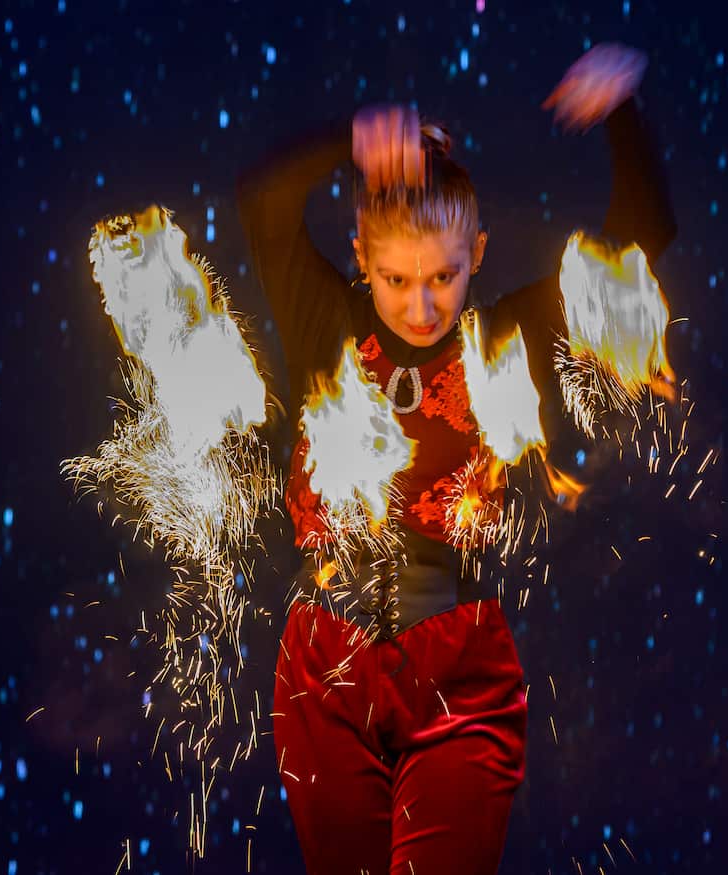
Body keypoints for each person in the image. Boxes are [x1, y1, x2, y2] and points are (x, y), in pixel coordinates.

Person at [237, 43, 675, 875]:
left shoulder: (508, 338)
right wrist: (351, 139)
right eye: (397, 278)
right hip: (321, 670)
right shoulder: (320, 317)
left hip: (460, 671)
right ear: (361, 256)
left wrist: (622, 113)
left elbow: (640, 243)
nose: (422, 302)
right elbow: (262, 200)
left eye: (442, 274)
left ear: (475, 251)